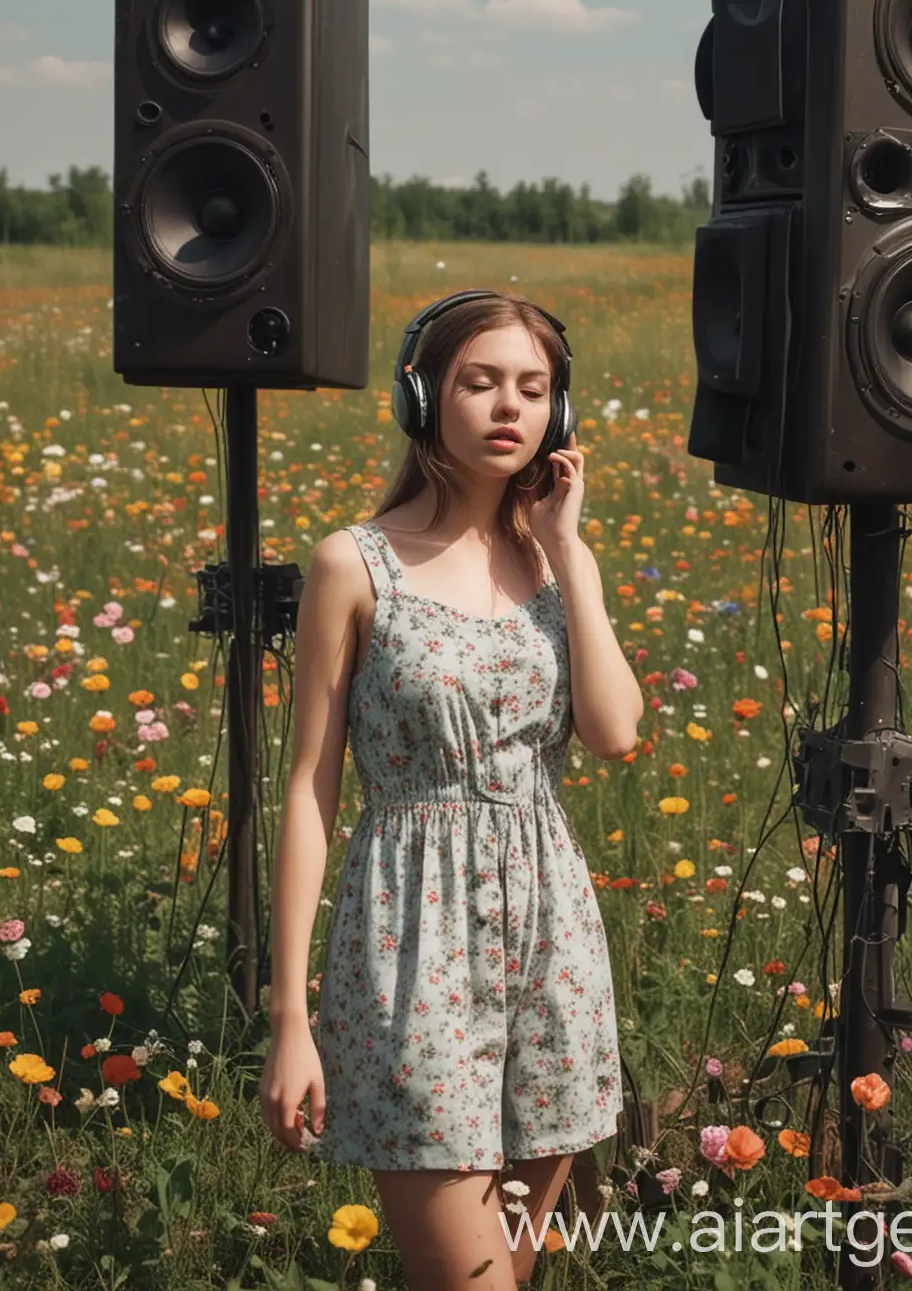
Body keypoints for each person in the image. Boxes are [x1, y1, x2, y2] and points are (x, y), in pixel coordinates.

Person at [260, 289, 643, 1290]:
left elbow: (615, 733)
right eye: (480, 382)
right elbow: (308, 788)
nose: (508, 407)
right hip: (409, 951)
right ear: (423, 396)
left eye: (533, 388)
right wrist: (290, 1019)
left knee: (507, 1280)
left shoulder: (561, 564)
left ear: (558, 414)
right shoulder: (354, 564)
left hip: (554, 951)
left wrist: (568, 551)